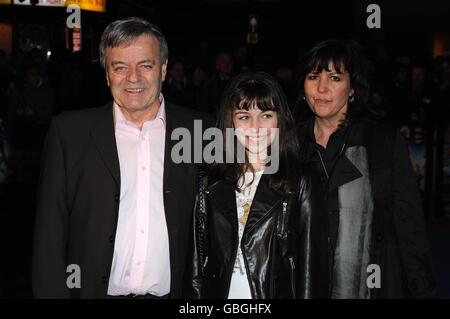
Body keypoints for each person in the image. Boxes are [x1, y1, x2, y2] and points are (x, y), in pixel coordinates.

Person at [32, 17, 211, 298]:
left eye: (145, 65)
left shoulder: (201, 132)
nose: (133, 78)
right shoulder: (69, 134)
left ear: (163, 69)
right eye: (120, 67)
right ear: (106, 74)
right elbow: (49, 239)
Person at [295, 39, 437, 298]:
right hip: (305, 283)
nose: (322, 87)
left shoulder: (383, 142)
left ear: (352, 89)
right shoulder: (289, 145)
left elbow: (410, 227)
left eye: (335, 78)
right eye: (313, 76)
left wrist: (422, 290)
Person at [184, 71, 328, 299]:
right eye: (243, 116)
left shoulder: (301, 182)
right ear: (230, 121)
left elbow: (312, 271)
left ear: (280, 119)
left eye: (266, 115)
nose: (256, 126)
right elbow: (196, 267)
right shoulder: (209, 181)